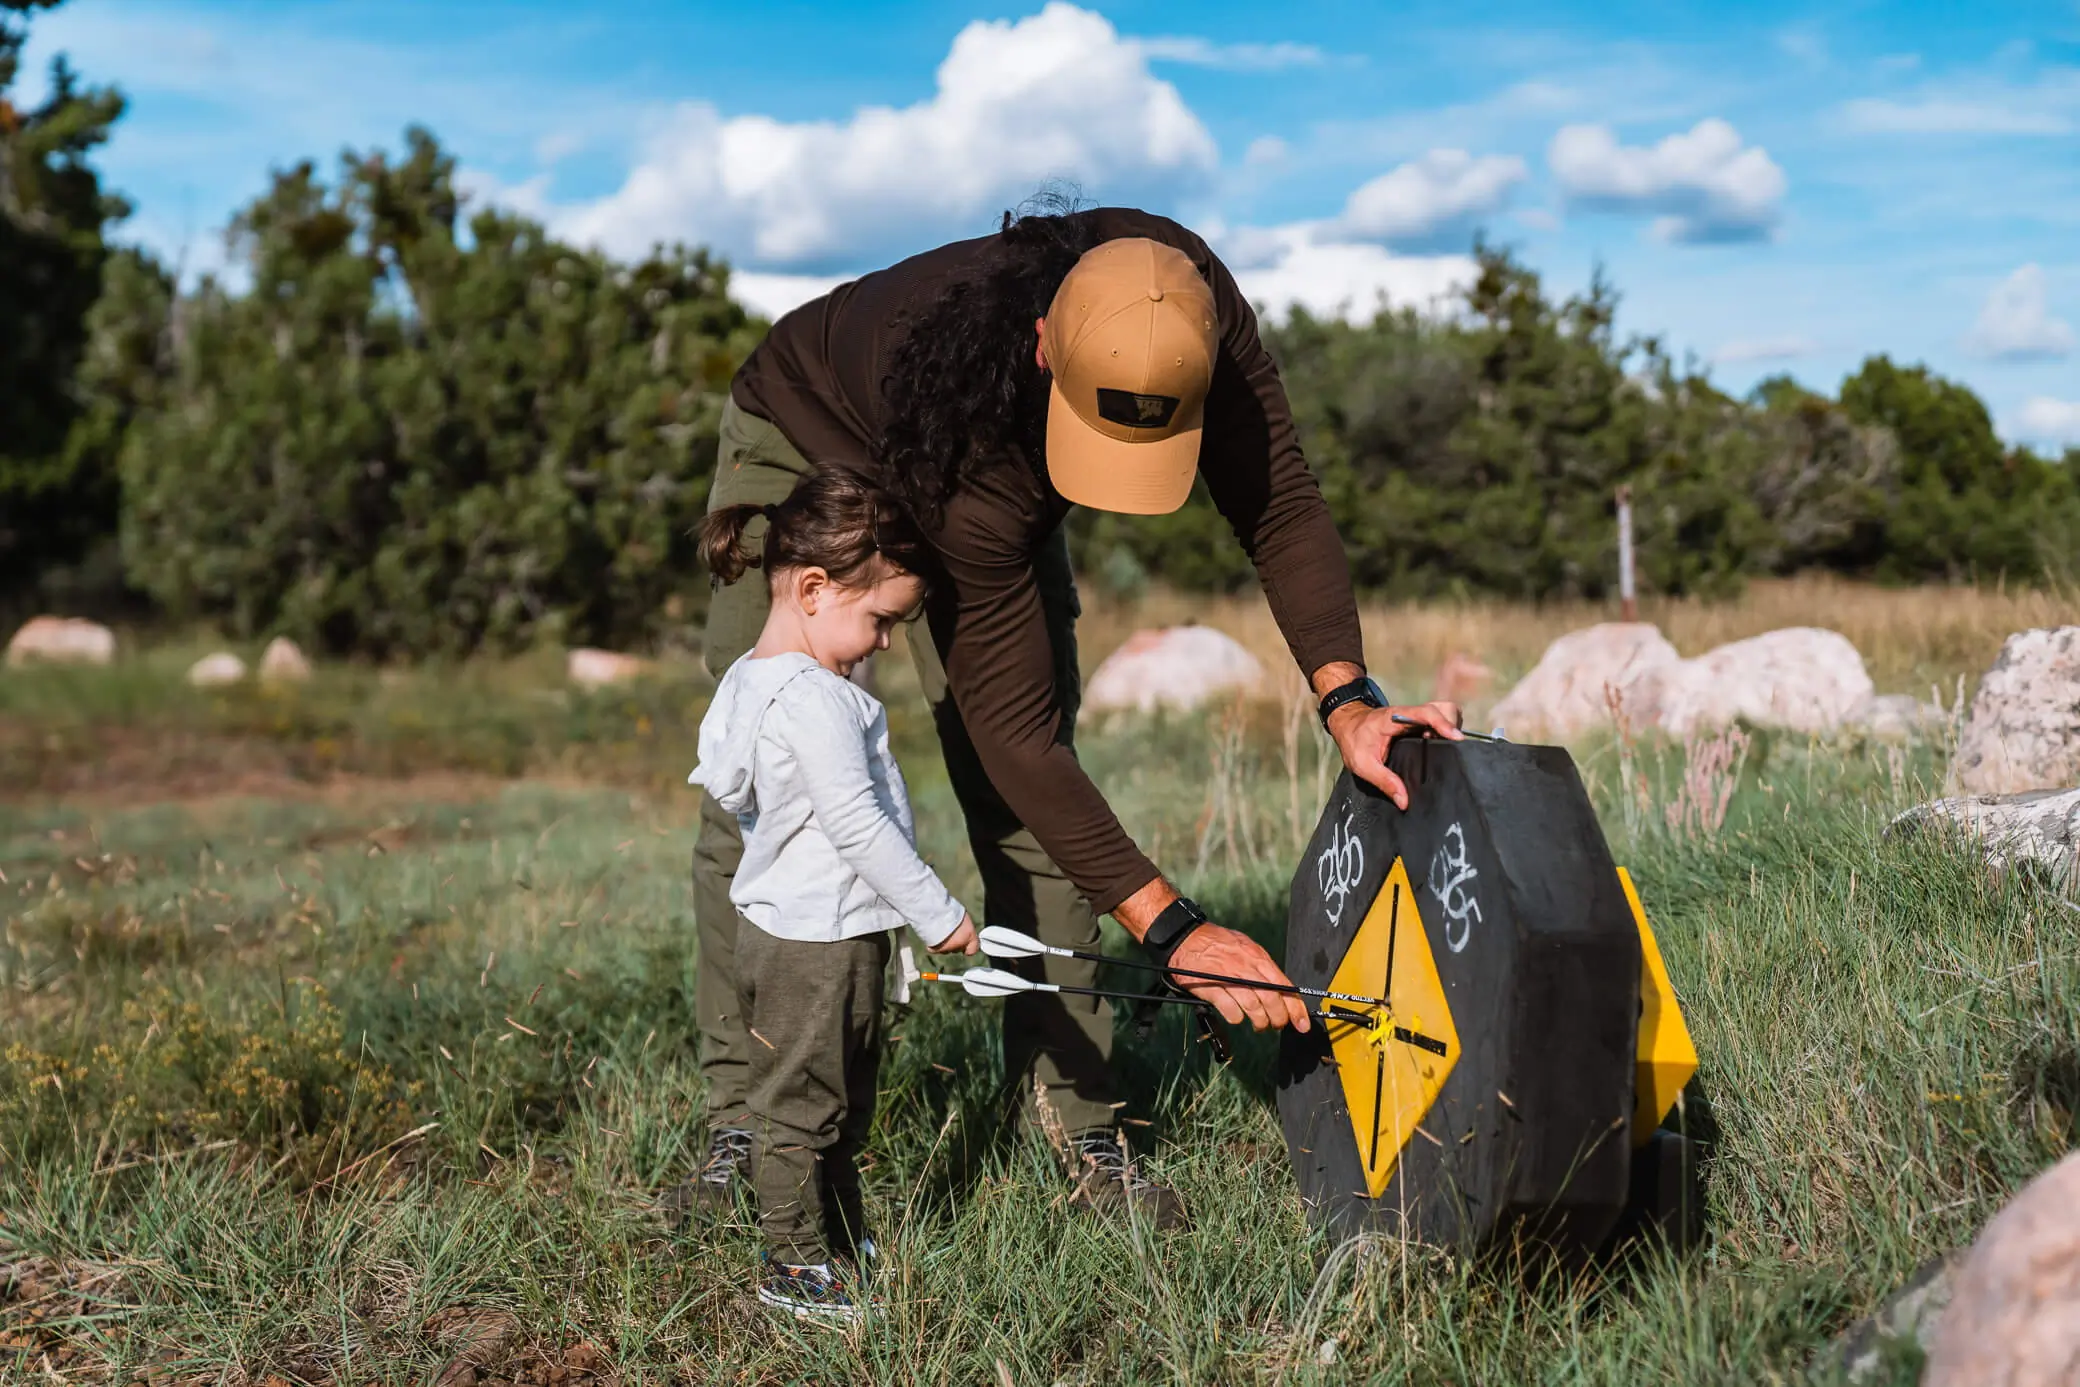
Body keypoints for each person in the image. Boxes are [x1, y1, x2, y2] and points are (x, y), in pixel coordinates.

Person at [688, 202, 1463, 1227]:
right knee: (770, 784)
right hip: (814, 435)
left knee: (1037, 822)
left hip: (996, 470)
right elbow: (1015, 736)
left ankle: (1075, 1119)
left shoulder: (1190, 317)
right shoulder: (974, 428)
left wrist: (1347, 699)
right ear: (1047, 343)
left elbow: (1275, 501)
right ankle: (747, 1120)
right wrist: (1172, 926)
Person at [689, 469, 980, 1323]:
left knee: (836, 1095)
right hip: (817, 943)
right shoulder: (816, 699)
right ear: (814, 589)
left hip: (802, 932)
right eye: (881, 617)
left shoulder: (749, 676)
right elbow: (855, 823)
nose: (886, 641)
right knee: (802, 1110)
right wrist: (939, 913)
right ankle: (794, 1267)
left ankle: (836, 1237)